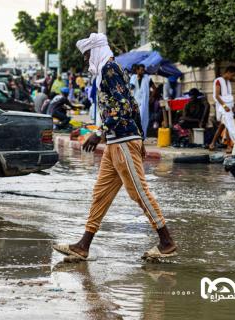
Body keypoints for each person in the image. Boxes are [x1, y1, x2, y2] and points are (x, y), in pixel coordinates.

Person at [53, 33, 177, 261]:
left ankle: (166, 242)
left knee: (139, 191)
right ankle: (83, 245)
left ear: (97, 51)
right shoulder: (109, 71)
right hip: (115, 142)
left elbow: (123, 107)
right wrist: (140, 138)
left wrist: (98, 133)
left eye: (87, 55)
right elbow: (133, 105)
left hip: (121, 141)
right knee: (101, 194)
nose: (85, 60)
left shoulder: (110, 70)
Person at [209, 66, 235, 152]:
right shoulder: (218, 81)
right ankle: (229, 146)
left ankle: (212, 144)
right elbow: (217, 96)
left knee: (223, 126)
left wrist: (231, 106)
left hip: (228, 106)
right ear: (228, 72)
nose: (232, 77)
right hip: (222, 107)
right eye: (232, 75)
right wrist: (225, 107)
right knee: (228, 125)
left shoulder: (228, 82)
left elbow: (229, 96)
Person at [130, 64, 153, 138]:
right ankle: (134, 135)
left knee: (142, 118)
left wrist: (151, 97)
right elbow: (131, 88)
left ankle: (141, 135)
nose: (143, 71)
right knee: (134, 118)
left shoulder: (147, 78)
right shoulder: (133, 77)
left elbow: (155, 88)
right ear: (137, 70)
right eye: (141, 70)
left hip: (144, 102)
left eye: (143, 70)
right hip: (135, 101)